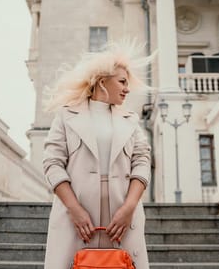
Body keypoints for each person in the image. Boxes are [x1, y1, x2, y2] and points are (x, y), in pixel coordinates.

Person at [42, 41, 154, 269]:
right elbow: (52, 163)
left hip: (121, 220)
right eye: (122, 82)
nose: (127, 88)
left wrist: (129, 208)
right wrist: (74, 210)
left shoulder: (131, 119)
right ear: (103, 81)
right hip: (77, 220)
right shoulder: (66, 116)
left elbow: (142, 162)